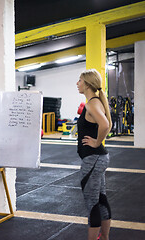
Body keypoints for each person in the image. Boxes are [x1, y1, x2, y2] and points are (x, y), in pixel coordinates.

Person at [76, 69, 112, 240]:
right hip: (98, 158)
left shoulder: (92, 104)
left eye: (80, 80)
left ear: (88, 84)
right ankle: (104, 238)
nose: (77, 83)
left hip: (94, 159)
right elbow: (106, 124)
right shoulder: (95, 102)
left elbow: (105, 125)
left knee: (92, 204)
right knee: (101, 199)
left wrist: (97, 142)